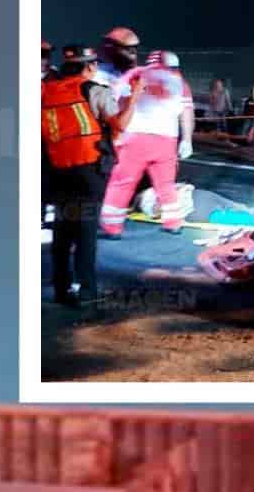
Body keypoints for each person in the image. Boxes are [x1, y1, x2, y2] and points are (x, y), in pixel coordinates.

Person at [41, 44, 114, 306]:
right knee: (86, 232)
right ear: (90, 66)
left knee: (62, 232)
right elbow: (117, 124)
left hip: (58, 170)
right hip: (88, 171)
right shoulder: (93, 90)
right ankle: (87, 290)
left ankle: (61, 289)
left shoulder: (47, 91)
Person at [99, 49, 194, 238]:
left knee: (122, 183)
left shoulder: (135, 74)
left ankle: (112, 227)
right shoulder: (180, 82)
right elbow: (187, 113)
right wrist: (187, 140)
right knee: (166, 184)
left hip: (135, 138)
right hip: (167, 140)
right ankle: (173, 222)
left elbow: (115, 100)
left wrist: (114, 133)